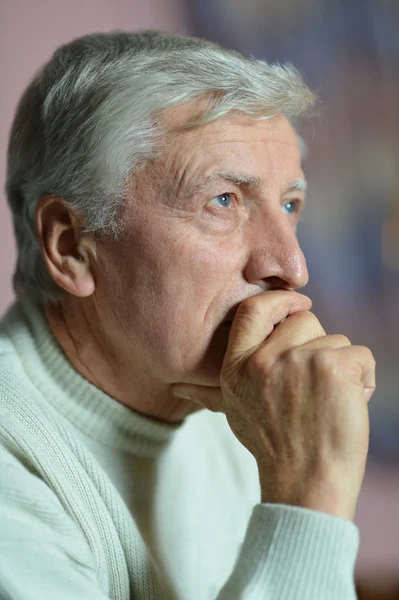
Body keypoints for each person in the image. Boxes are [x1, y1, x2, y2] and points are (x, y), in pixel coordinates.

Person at [0, 30, 375, 600]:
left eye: (290, 204)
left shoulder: (255, 405)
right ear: (72, 244)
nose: (291, 266)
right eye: (224, 200)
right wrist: (308, 496)